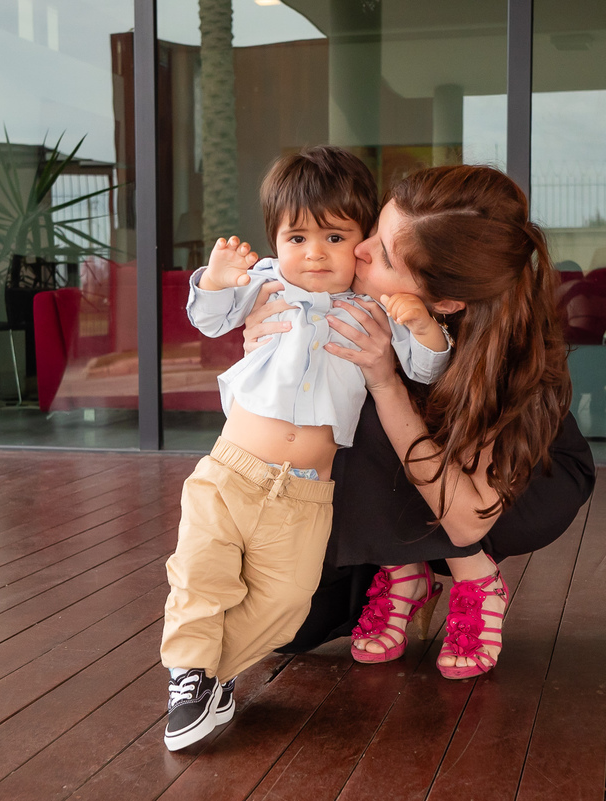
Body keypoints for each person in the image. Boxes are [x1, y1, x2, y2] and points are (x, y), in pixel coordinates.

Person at [242, 164, 596, 680]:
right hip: (386, 493)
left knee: (373, 404)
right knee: (288, 630)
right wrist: (266, 342)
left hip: (506, 493)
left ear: (445, 303)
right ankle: (403, 570)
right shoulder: (345, 291)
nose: (361, 249)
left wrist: (386, 382)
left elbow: (467, 519)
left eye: (385, 255)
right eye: (374, 229)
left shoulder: (500, 354)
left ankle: (474, 580)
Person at [160, 146, 453, 750]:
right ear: (276, 241)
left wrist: (423, 326)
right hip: (231, 471)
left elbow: (426, 367)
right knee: (199, 574)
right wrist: (215, 278)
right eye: (297, 238)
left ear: (362, 243)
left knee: (289, 602)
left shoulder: (375, 310)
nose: (314, 253)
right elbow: (208, 318)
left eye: (334, 237)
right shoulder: (264, 283)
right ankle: (188, 674)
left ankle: (210, 676)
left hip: (305, 494)